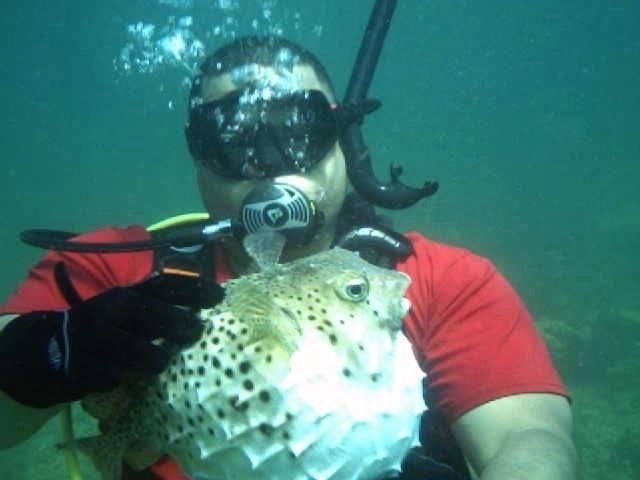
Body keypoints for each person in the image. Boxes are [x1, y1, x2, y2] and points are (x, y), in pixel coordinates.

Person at [0, 35, 577, 480]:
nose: (271, 163)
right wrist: (45, 354)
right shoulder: (112, 274)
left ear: (344, 141)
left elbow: (528, 437)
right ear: (199, 162)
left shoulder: (435, 281)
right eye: (233, 140)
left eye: (299, 128)